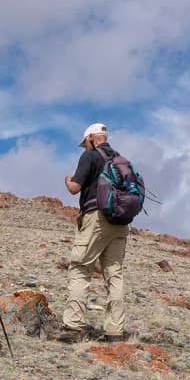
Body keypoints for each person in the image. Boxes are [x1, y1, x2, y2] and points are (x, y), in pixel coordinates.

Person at [58, 122, 131, 343]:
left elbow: (74, 189)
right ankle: (115, 331)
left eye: (85, 142)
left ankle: (73, 327)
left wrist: (68, 180)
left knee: (81, 267)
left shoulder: (89, 157)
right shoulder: (121, 160)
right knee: (114, 274)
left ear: (91, 138)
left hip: (96, 217)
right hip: (120, 221)